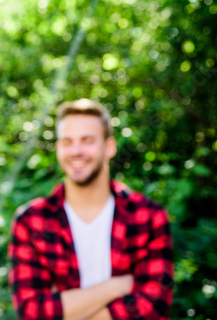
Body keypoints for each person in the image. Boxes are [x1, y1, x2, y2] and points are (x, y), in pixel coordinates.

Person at [9, 99, 174, 320]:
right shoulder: (31, 220)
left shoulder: (148, 216)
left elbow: (153, 307)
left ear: (109, 147)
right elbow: (33, 312)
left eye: (87, 140)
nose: (76, 151)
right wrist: (115, 287)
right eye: (67, 142)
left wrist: (69, 309)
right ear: (58, 149)